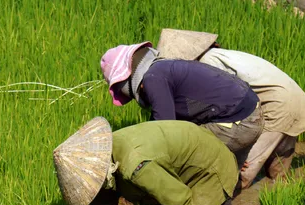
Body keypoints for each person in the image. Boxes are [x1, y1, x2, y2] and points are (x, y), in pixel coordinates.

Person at [53, 116, 238, 205]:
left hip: (208, 172)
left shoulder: (135, 166)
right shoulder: (104, 157)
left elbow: (181, 200)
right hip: (173, 170)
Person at [157, 28, 305, 188]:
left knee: (241, 174)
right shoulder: (218, 56)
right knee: (277, 172)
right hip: (290, 97)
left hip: (276, 105)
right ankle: (280, 202)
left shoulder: (208, 63)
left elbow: (221, 106)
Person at [100, 42, 264, 167]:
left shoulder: (153, 78)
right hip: (250, 113)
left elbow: (165, 131)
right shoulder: (163, 70)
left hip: (239, 122)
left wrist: (140, 161)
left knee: (186, 162)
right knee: (222, 183)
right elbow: (160, 121)